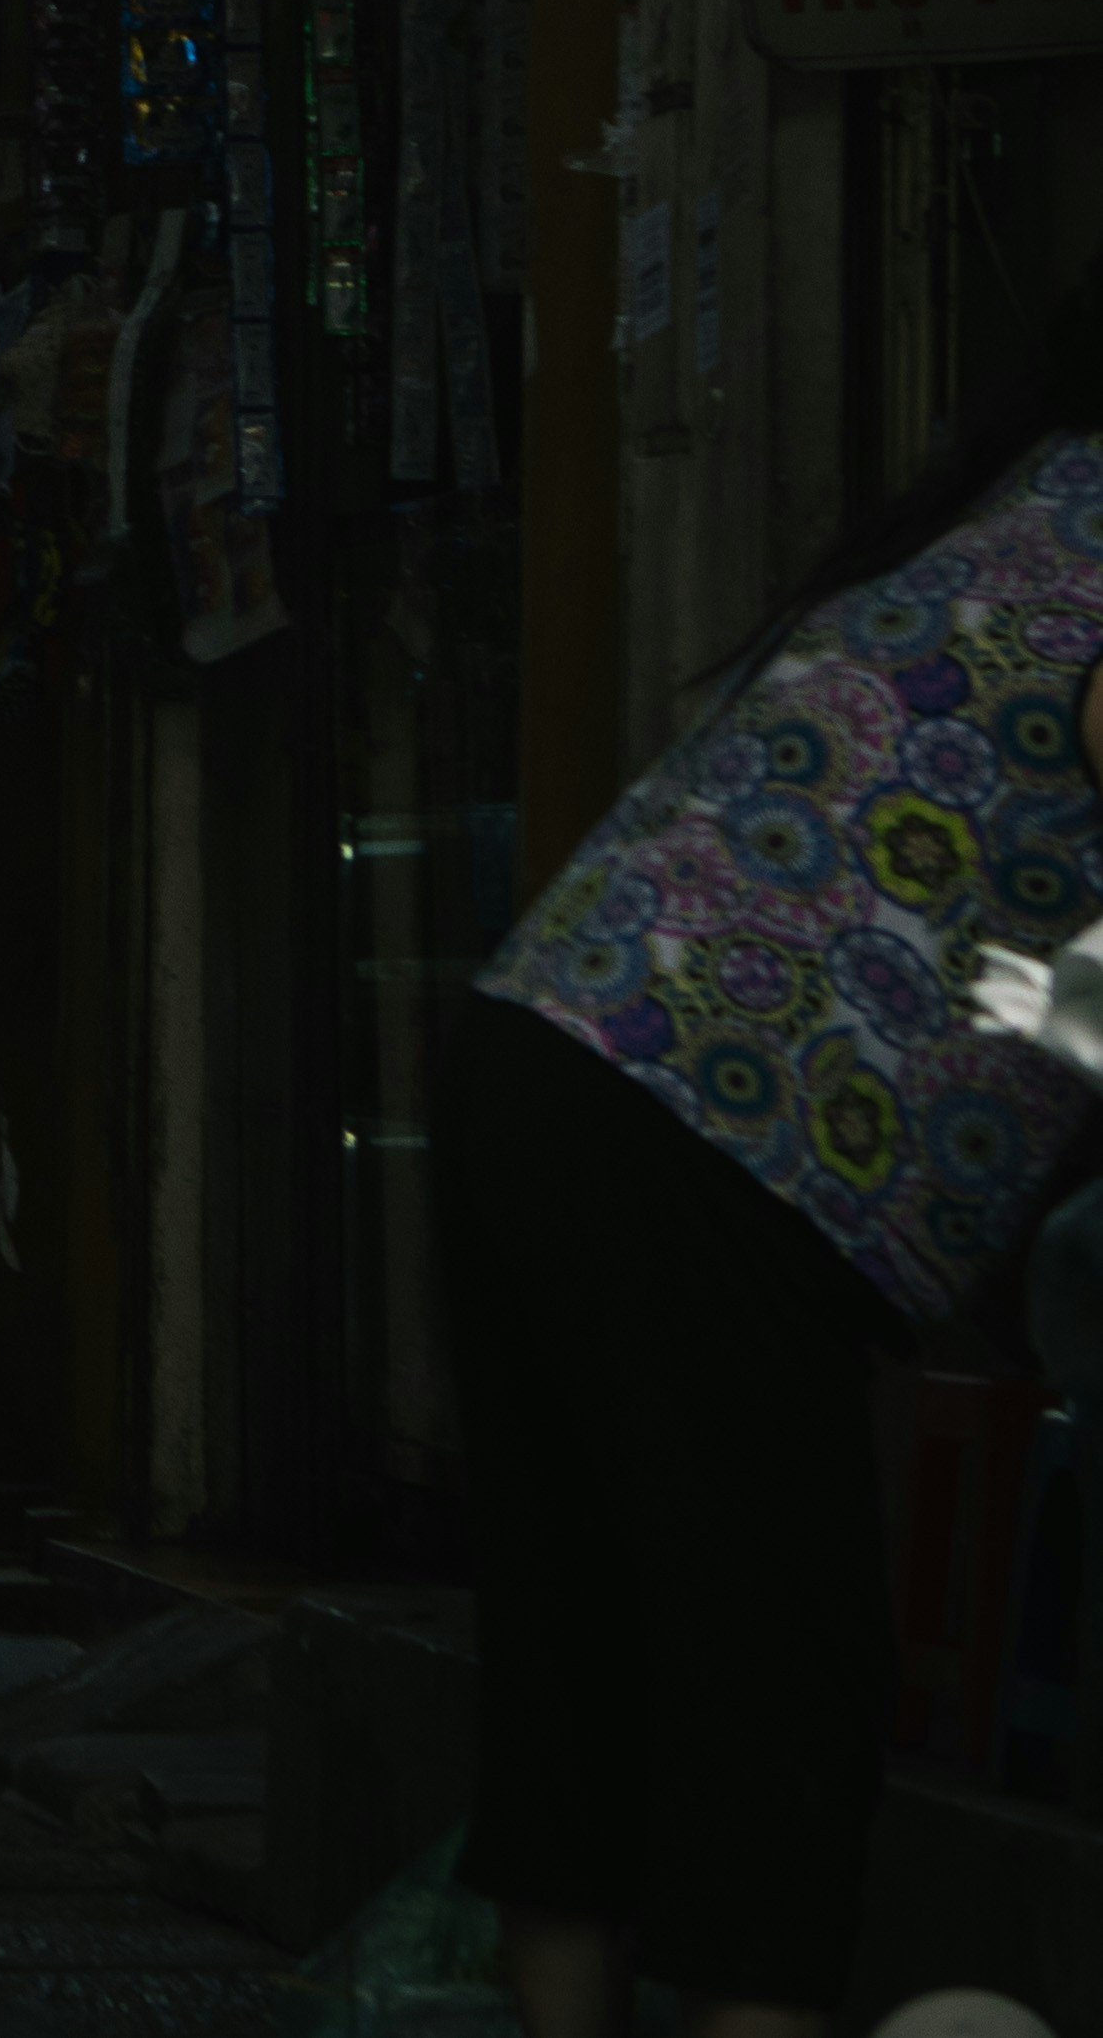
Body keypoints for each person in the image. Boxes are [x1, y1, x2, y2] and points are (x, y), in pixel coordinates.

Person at [447, 278, 1103, 2038]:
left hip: (548, 1044)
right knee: (776, 1664)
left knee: (574, 1633)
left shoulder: (1022, 501)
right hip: (722, 1124)